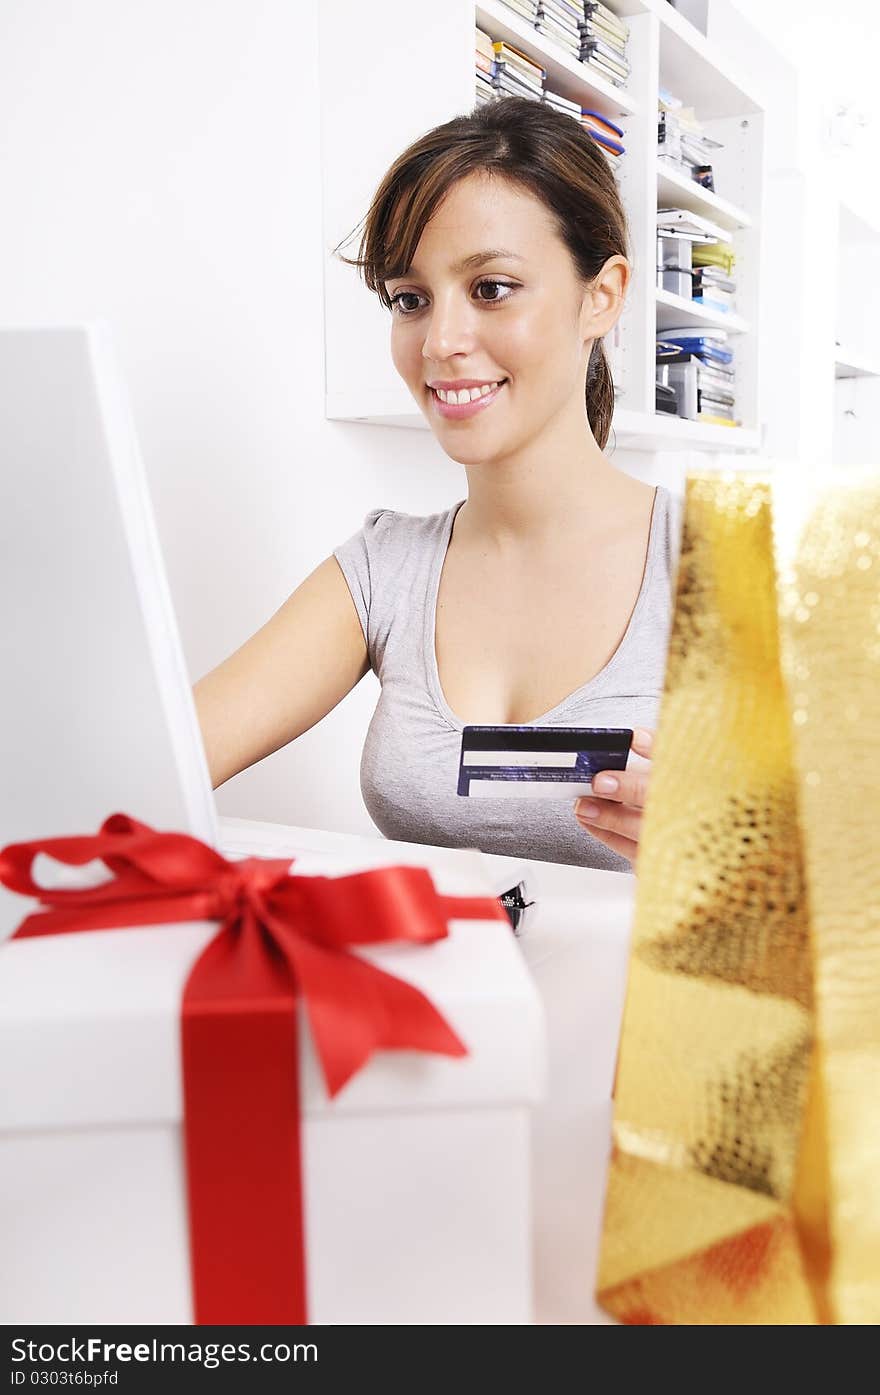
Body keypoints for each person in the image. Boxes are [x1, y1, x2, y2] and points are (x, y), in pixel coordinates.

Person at [193, 97, 683, 873]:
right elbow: (158, 765)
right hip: (431, 995)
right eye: (410, 300)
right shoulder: (386, 570)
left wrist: (741, 856)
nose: (440, 342)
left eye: (491, 288)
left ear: (602, 296)